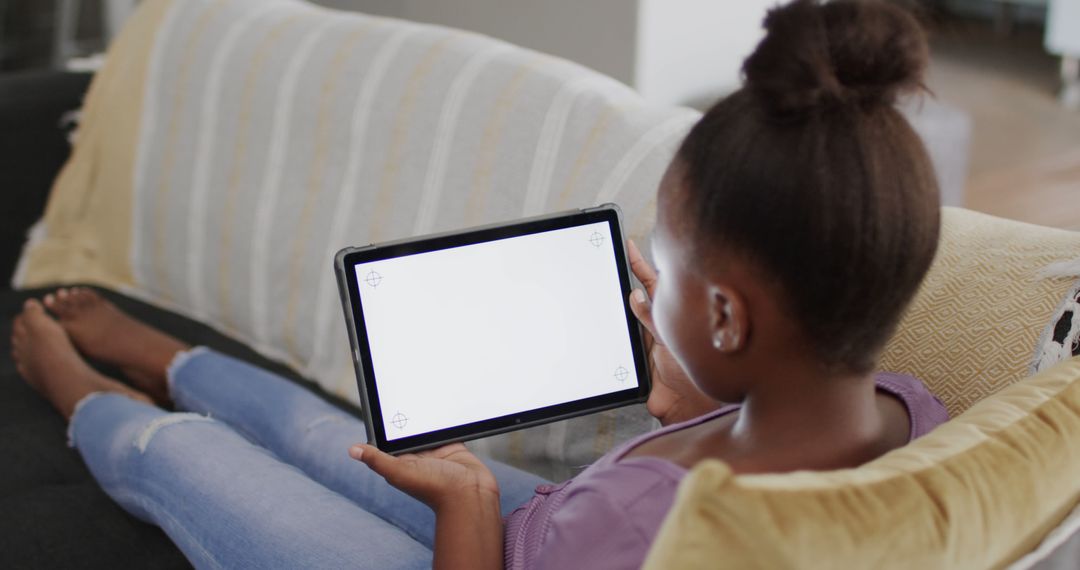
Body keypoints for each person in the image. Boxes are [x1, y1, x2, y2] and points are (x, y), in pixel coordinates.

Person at [9, 0, 950, 568]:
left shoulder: (638, 521)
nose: (648, 281)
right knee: (328, 431)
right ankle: (177, 359)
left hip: (507, 547)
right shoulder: (911, 411)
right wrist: (696, 402)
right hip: (561, 526)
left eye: (667, 264)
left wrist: (463, 505)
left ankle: (87, 395)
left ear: (726, 314)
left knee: (197, 466)